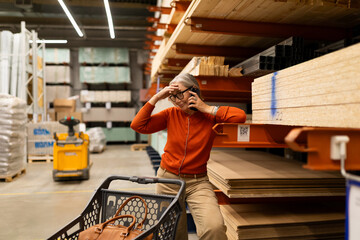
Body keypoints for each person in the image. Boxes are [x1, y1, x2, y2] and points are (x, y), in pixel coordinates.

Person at [131, 73, 246, 240]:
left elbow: (240, 117)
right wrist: (156, 98)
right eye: (172, 97)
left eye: (179, 94)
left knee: (214, 228)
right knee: (173, 232)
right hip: (167, 181)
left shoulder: (210, 117)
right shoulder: (171, 114)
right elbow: (138, 125)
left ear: (194, 91)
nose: (176, 100)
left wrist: (206, 108)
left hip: (198, 182)